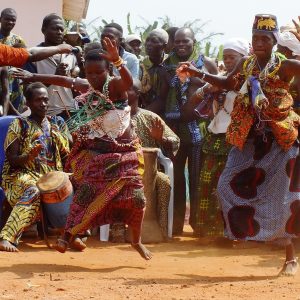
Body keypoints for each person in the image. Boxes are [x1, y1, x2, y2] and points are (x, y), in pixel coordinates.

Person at [178, 14, 300, 275]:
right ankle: (252, 233)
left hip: (279, 140)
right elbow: (227, 82)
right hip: (249, 138)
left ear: (274, 40)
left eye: (264, 38)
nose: (258, 42)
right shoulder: (246, 64)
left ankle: (290, 258)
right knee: (225, 184)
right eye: (255, 37)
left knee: (282, 197)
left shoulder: (286, 66)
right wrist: (197, 72)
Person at [54, 37, 152, 260]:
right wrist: (33, 76)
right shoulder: (86, 87)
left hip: (126, 155)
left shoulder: (116, 86)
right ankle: (68, 235)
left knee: (137, 200)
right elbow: (59, 79)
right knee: (86, 193)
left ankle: (136, 241)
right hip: (98, 156)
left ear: (108, 70)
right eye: (89, 73)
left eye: (98, 72)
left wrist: (118, 60)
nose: (94, 77)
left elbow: (128, 81)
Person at [181, 38, 249, 241]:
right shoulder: (216, 79)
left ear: (242, 59)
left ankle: (232, 233)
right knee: (207, 185)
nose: (228, 61)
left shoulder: (248, 82)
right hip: (214, 139)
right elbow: (190, 105)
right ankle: (209, 233)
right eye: (226, 57)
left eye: (233, 57)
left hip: (235, 141)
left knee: (227, 187)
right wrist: (207, 89)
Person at [0, 82, 71, 252]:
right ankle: (6, 238)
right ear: (28, 103)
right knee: (34, 189)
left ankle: (72, 235)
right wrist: (29, 156)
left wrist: (63, 136)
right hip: (21, 174)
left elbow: (68, 149)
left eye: (46, 100)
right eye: (39, 100)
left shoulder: (57, 122)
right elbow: (12, 159)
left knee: (80, 183)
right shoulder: (19, 124)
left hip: (51, 174)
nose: (44, 104)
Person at [164, 27, 218, 235]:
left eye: (185, 41)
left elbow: (218, 91)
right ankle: (176, 224)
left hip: (199, 130)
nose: (181, 45)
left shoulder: (207, 64)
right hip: (174, 130)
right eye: (177, 42)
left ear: (194, 41)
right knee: (176, 178)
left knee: (197, 179)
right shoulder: (168, 65)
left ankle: (198, 224)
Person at [128, 79, 179, 238]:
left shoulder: (150, 118)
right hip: (119, 171)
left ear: (138, 93)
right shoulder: (112, 117)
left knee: (164, 182)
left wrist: (161, 139)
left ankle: (160, 230)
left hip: (149, 173)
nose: (122, 92)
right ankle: (117, 229)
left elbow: (175, 140)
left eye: (128, 89)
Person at [26, 14, 78, 118]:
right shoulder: (33, 55)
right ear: (43, 30)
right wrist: (54, 77)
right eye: (55, 29)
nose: (59, 32)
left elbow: (74, 86)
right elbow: (28, 89)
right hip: (46, 113)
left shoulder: (70, 54)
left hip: (70, 111)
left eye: (61, 29)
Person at [140, 29, 170, 116]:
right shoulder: (141, 65)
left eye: (154, 41)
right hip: (145, 110)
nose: (148, 44)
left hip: (170, 113)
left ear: (164, 46)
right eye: (147, 40)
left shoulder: (171, 64)